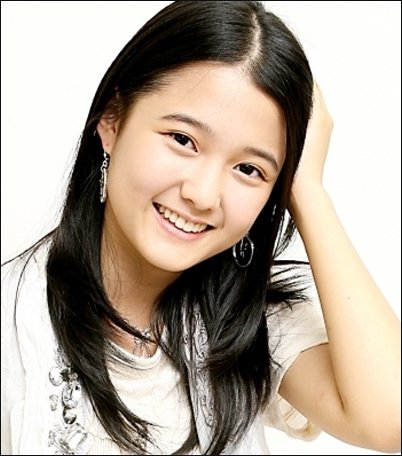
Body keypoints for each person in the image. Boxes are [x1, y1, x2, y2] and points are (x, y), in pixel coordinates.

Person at [1, 1, 400, 454]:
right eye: (183, 140)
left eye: (249, 169)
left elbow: (391, 419)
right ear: (112, 118)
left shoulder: (249, 324)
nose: (203, 195)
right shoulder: (14, 322)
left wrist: (308, 192)